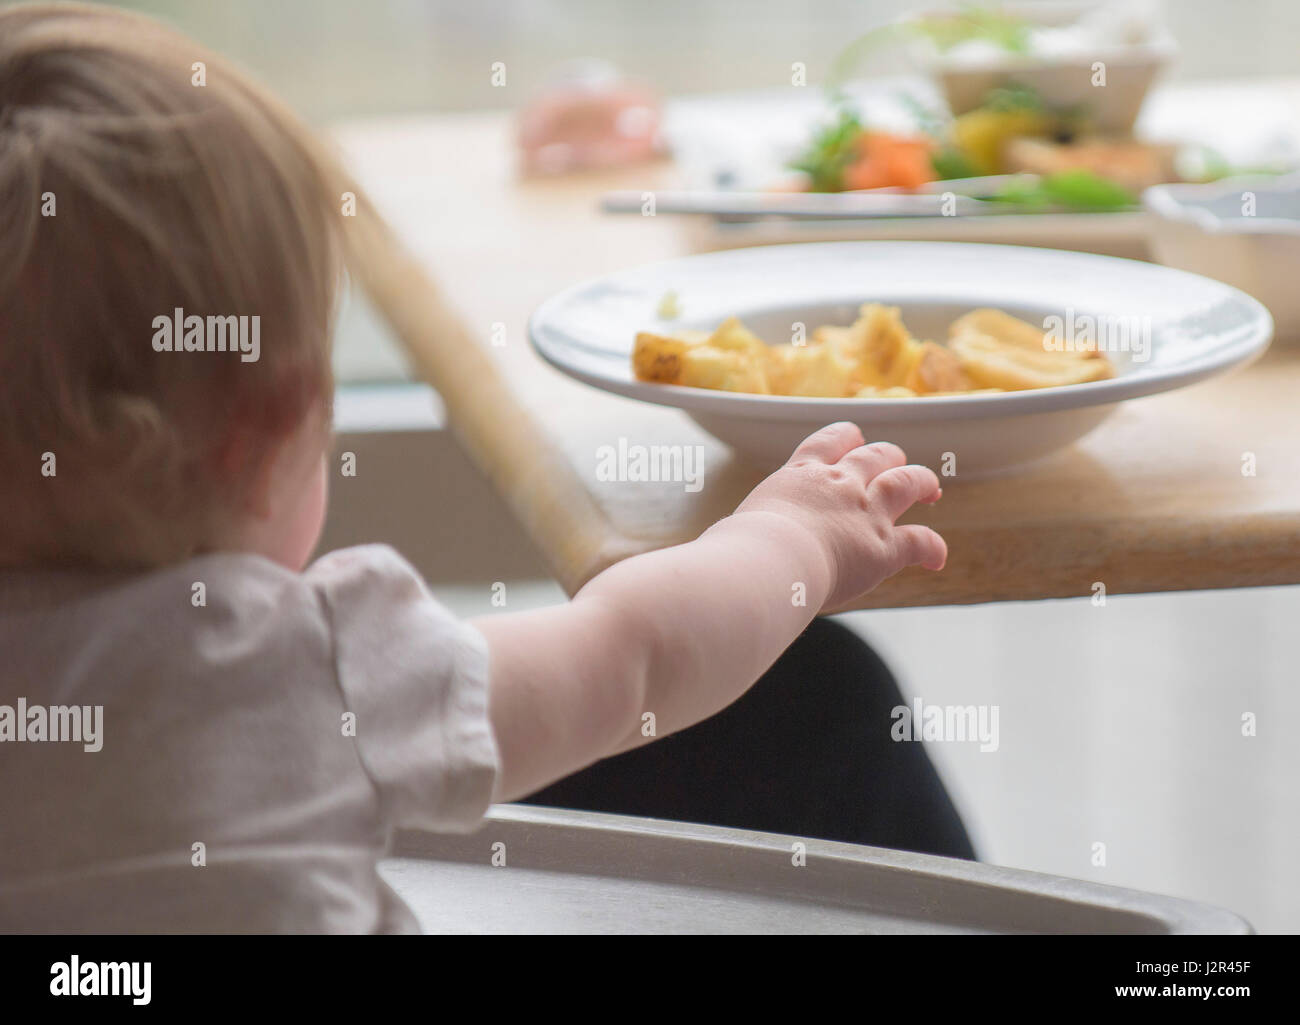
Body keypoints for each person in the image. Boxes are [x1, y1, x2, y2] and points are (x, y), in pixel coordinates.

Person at [0, 3, 968, 934]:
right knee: (827, 699)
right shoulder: (309, 672)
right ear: (262, 433)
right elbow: (638, 652)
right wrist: (790, 536)